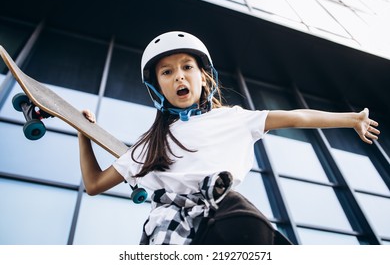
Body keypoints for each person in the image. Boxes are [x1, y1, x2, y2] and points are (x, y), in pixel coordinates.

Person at [78, 31, 380, 245]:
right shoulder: (150, 144)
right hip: (171, 229)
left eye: (187, 67)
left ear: (204, 76)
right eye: (167, 72)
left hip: (226, 216)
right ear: (157, 87)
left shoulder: (233, 118)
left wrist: (351, 119)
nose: (179, 76)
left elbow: (296, 116)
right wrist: (84, 134)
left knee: (245, 225)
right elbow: (94, 184)